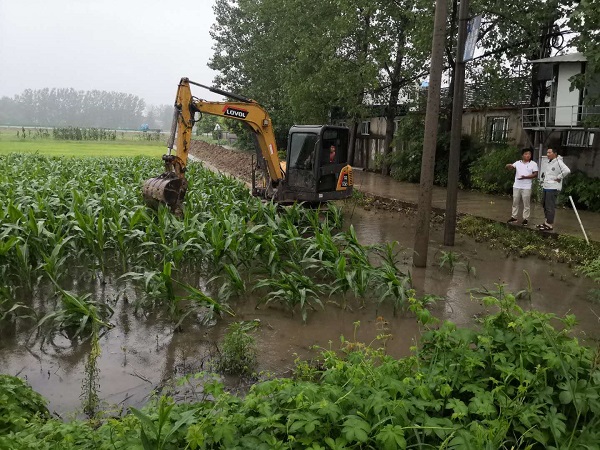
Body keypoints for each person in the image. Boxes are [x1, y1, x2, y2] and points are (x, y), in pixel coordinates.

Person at [536, 147, 570, 231]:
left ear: (555, 153)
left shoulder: (558, 162)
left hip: (553, 187)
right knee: (544, 204)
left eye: (549, 153)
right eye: (547, 152)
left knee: (549, 206)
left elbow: (567, 170)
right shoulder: (549, 162)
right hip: (546, 186)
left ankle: (549, 224)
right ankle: (546, 221)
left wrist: (559, 177)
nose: (547, 154)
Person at [506, 148, 538, 226]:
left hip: (526, 186)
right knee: (515, 202)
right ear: (522, 155)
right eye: (526, 154)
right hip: (517, 185)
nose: (528, 156)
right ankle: (514, 217)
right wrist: (508, 166)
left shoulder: (533, 164)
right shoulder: (517, 163)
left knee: (526, 203)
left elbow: (535, 174)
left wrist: (526, 177)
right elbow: (510, 167)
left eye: (529, 154)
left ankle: (525, 218)